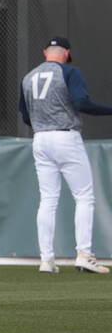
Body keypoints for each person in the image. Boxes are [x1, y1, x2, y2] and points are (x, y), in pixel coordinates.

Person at [19, 36, 111, 274]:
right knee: (84, 196)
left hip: (40, 138)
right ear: (67, 53)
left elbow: (25, 116)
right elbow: (81, 103)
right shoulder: (69, 72)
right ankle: (83, 254)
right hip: (65, 136)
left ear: (44, 52)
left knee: (48, 198)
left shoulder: (28, 77)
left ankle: (46, 260)